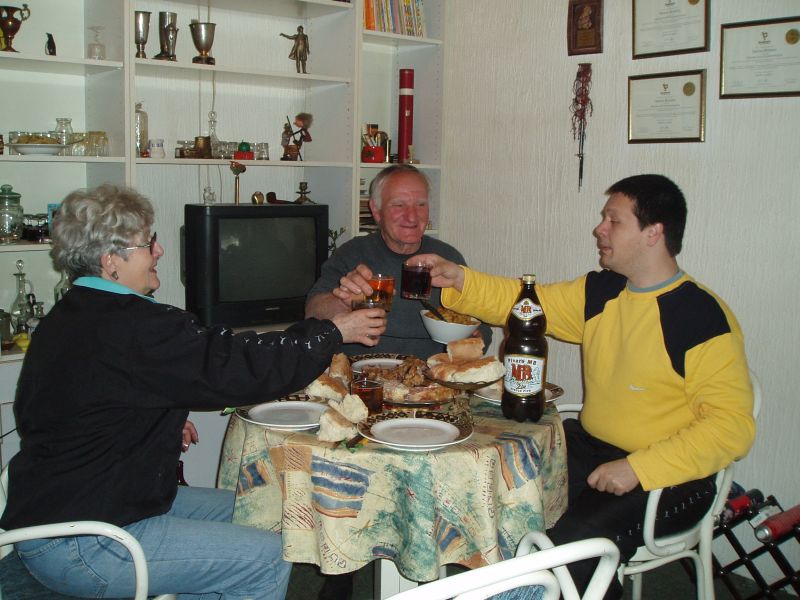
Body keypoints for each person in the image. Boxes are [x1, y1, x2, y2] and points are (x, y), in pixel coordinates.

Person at [0, 185, 385, 599]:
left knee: (265, 510)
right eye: (147, 242)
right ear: (110, 260)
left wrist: (155, 420)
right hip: (86, 540)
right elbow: (237, 366)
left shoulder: (74, 312)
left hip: (88, 509)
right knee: (267, 558)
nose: (160, 250)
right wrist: (332, 332)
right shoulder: (133, 326)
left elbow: (82, 404)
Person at [414, 174, 756, 600]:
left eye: (614, 220)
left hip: (673, 477)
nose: (599, 229)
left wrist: (639, 468)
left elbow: (731, 427)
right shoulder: (602, 291)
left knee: (572, 545)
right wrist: (459, 280)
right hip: (592, 447)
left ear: (653, 232)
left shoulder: (699, 316)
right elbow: (524, 302)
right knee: (498, 489)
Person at [306, 163, 492, 360]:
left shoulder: (448, 258)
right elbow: (312, 313)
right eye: (399, 205)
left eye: (420, 204)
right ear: (376, 210)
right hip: (362, 373)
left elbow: (482, 328)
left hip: (432, 373)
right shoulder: (352, 254)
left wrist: (475, 338)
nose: (412, 216)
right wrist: (345, 302)